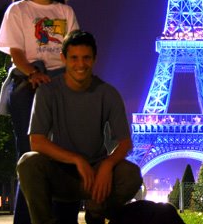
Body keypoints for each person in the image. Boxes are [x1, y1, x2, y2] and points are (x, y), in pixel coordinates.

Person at [17, 30, 142, 224]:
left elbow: (125, 142)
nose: (81, 64)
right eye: (74, 58)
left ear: (94, 59)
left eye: (86, 58)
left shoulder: (108, 94)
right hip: (60, 173)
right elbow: (37, 142)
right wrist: (77, 159)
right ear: (63, 58)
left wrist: (107, 165)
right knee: (28, 162)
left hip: (96, 176)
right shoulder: (47, 91)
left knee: (131, 174)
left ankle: (96, 212)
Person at [0, 0, 80, 224]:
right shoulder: (18, 10)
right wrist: (34, 73)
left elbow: (74, 52)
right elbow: (16, 53)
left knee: (64, 156)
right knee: (30, 159)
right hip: (30, 82)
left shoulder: (65, 12)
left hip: (60, 84)